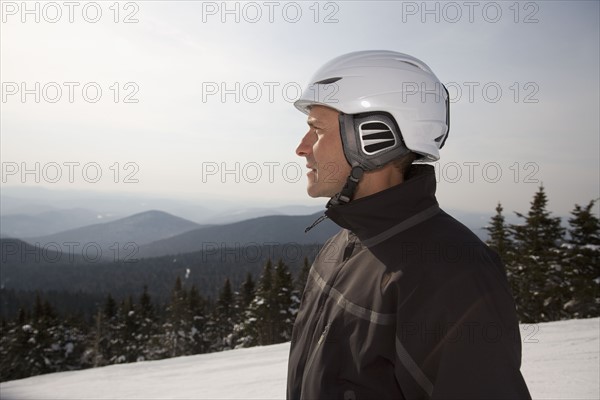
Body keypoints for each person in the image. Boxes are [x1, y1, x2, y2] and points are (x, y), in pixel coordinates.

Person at [287, 50, 531, 399]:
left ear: (373, 138)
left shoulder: (453, 272)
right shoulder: (342, 245)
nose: (301, 148)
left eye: (316, 130)